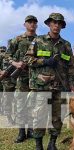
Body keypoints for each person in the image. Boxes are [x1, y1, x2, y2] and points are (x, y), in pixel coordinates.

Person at [25, 13, 74, 150]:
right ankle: (38, 145)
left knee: (57, 117)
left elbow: (71, 67)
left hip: (60, 87)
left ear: (62, 26)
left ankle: (52, 143)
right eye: (54, 22)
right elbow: (28, 60)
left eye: (59, 23)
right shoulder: (38, 40)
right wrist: (45, 61)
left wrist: (71, 85)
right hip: (41, 86)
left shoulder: (66, 45)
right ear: (49, 24)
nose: (56, 25)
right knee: (39, 115)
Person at [7, 15, 38, 143]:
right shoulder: (18, 39)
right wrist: (15, 63)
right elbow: (7, 54)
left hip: (35, 77)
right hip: (22, 76)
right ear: (24, 24)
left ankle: (31, 130)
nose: (32, 24)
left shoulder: (40, 40)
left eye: (34, 22)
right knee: (21, 104)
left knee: (33, 104)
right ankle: (21, 133)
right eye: (29, 22)